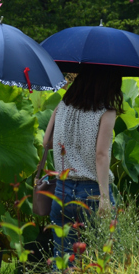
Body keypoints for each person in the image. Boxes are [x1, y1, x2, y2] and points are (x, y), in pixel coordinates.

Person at [40, 67, 120, 257]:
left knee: (63, 257)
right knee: (98, 257)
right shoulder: (106, 112)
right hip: (91, 192)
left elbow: (46, 143)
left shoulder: (62, 106)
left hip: (62, 189)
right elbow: (101, 155)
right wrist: (105, 198)